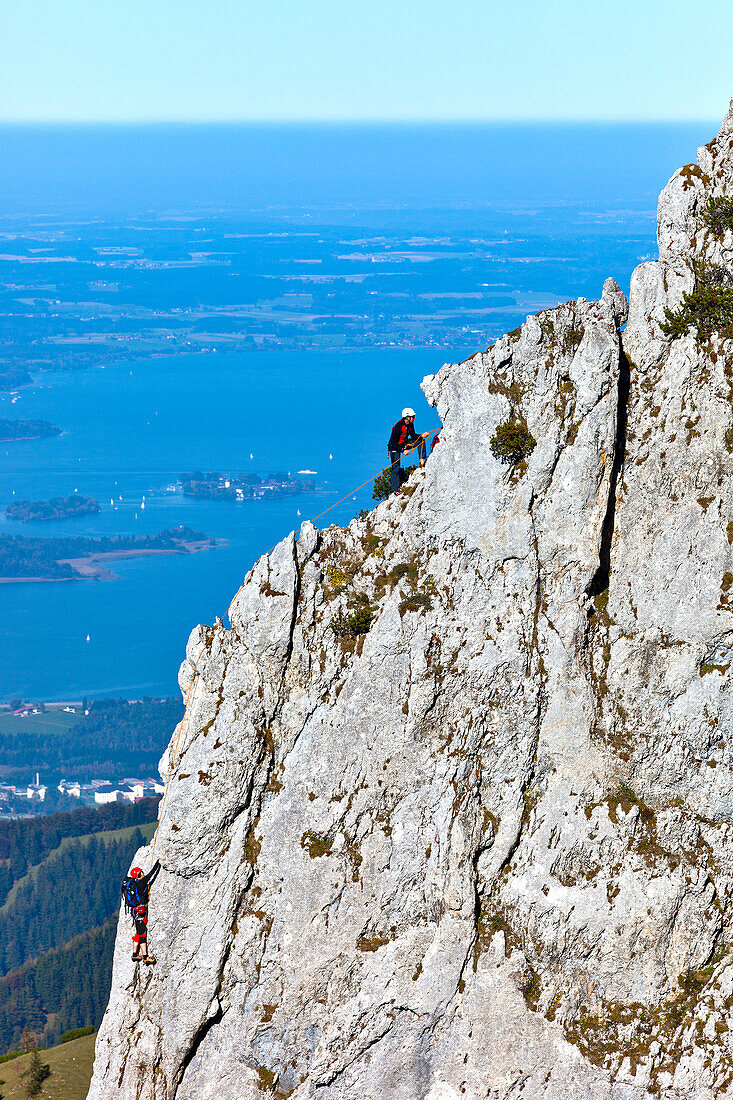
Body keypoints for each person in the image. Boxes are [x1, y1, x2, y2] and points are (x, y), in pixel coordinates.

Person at [388, 408, 429, 494]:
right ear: (407, 417)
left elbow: (413, 435)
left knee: (420, 441)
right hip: (394, 448)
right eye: (413, 417)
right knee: (396, 468)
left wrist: (421, 435)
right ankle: (395, 490)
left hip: (403, 444)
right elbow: (392, 443)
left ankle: (422, 461)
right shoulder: (398, 427)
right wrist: (403, 450)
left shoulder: (410, 425)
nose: (414, 418)